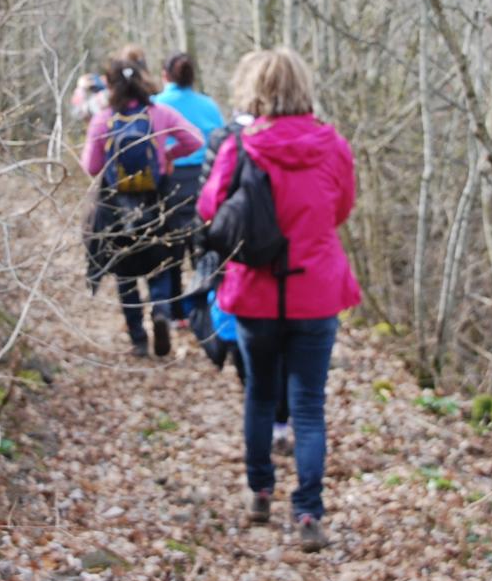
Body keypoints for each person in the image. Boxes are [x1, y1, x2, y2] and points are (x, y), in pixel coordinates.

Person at [197, 47, 357, 552]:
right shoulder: (332, 145)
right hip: (315, 291)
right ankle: (309, 513)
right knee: (308, 405)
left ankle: (260, 491)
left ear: (256, 90)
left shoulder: (241, 146)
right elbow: (342, 208)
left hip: (254, 291)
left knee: (261, 394)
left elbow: (209, 207)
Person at [80, 47, 203, 357]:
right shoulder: (158, 113)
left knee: (125, 272)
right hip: (155, 199)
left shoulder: (104, 119)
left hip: (116, 206)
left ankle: (138, 339)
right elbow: (195, 140)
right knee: (159, 263)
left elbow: (91, 166)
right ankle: (161, 312)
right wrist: (168, 157)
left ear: (110, 85)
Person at [153, 52, 226, 324]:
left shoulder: (157, 105)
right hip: (207, 180)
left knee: (170, 247)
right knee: (204, 247)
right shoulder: (209, 106)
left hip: (169, 182)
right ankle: (205, 310)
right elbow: (223, 144)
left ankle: (174, 313)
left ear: (165, 75)